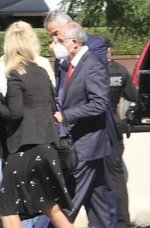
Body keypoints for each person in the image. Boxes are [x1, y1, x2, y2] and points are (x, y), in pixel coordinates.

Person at [0, 21, 74, 228]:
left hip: (24, 150)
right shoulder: (42, 72)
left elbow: (15, 114)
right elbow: (51, 106)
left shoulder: (14, 75)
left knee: (8, 208)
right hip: (47, 146)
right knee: (50, 206)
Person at [50, 22, 119, 227]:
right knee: (98, 204)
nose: (56, 44)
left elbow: (99, 104)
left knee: (69, 201)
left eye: (60, 40)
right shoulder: (74, 64)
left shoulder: (92, 64)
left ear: (74, 42)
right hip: (86, 144)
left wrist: (66, 115)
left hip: (87, 146)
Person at [103, 36, 136, 228]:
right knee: (117, 179)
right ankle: (122, 222)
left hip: (97, 130)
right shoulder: (120, 70)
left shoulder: (91, 70)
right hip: (115, 129)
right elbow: (132, 95)